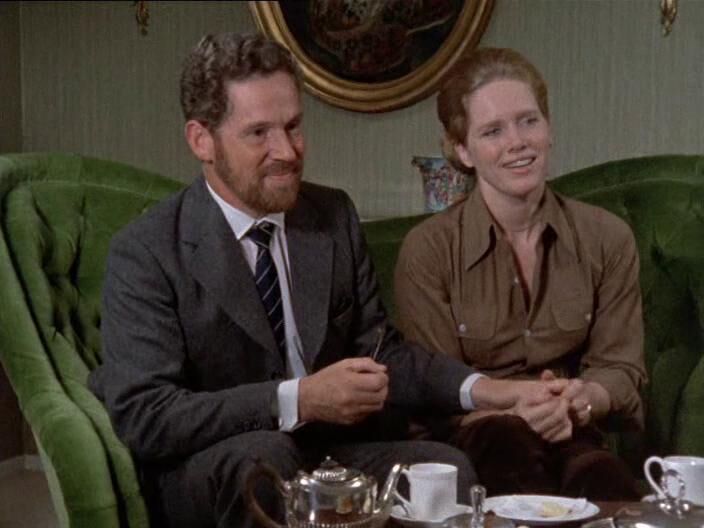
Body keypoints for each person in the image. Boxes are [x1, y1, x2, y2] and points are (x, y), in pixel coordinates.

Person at [89, 34, 568, 528]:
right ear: (201, 141)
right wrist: (299, 399)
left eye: (293, 126)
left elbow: (385, 354)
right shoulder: (147, 250)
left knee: (446, 469)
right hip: (218, 464)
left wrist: (491, 391)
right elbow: (146, 414)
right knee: (264, 456)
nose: (286, 151)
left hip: (329, 456)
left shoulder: (332, 215)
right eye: (259, 133)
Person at [394, 47, 647, 500]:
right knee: (509, 448)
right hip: (477, 436)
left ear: (548, 129)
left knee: (603, 478)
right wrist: (516, 406)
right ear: (463, 150)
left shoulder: (606, 237)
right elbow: (433, 391)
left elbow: (621, 370)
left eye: (529, 121)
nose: (518, 142)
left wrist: (581, 399)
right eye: (493, 131)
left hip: (571, 429)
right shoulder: (429, 250)